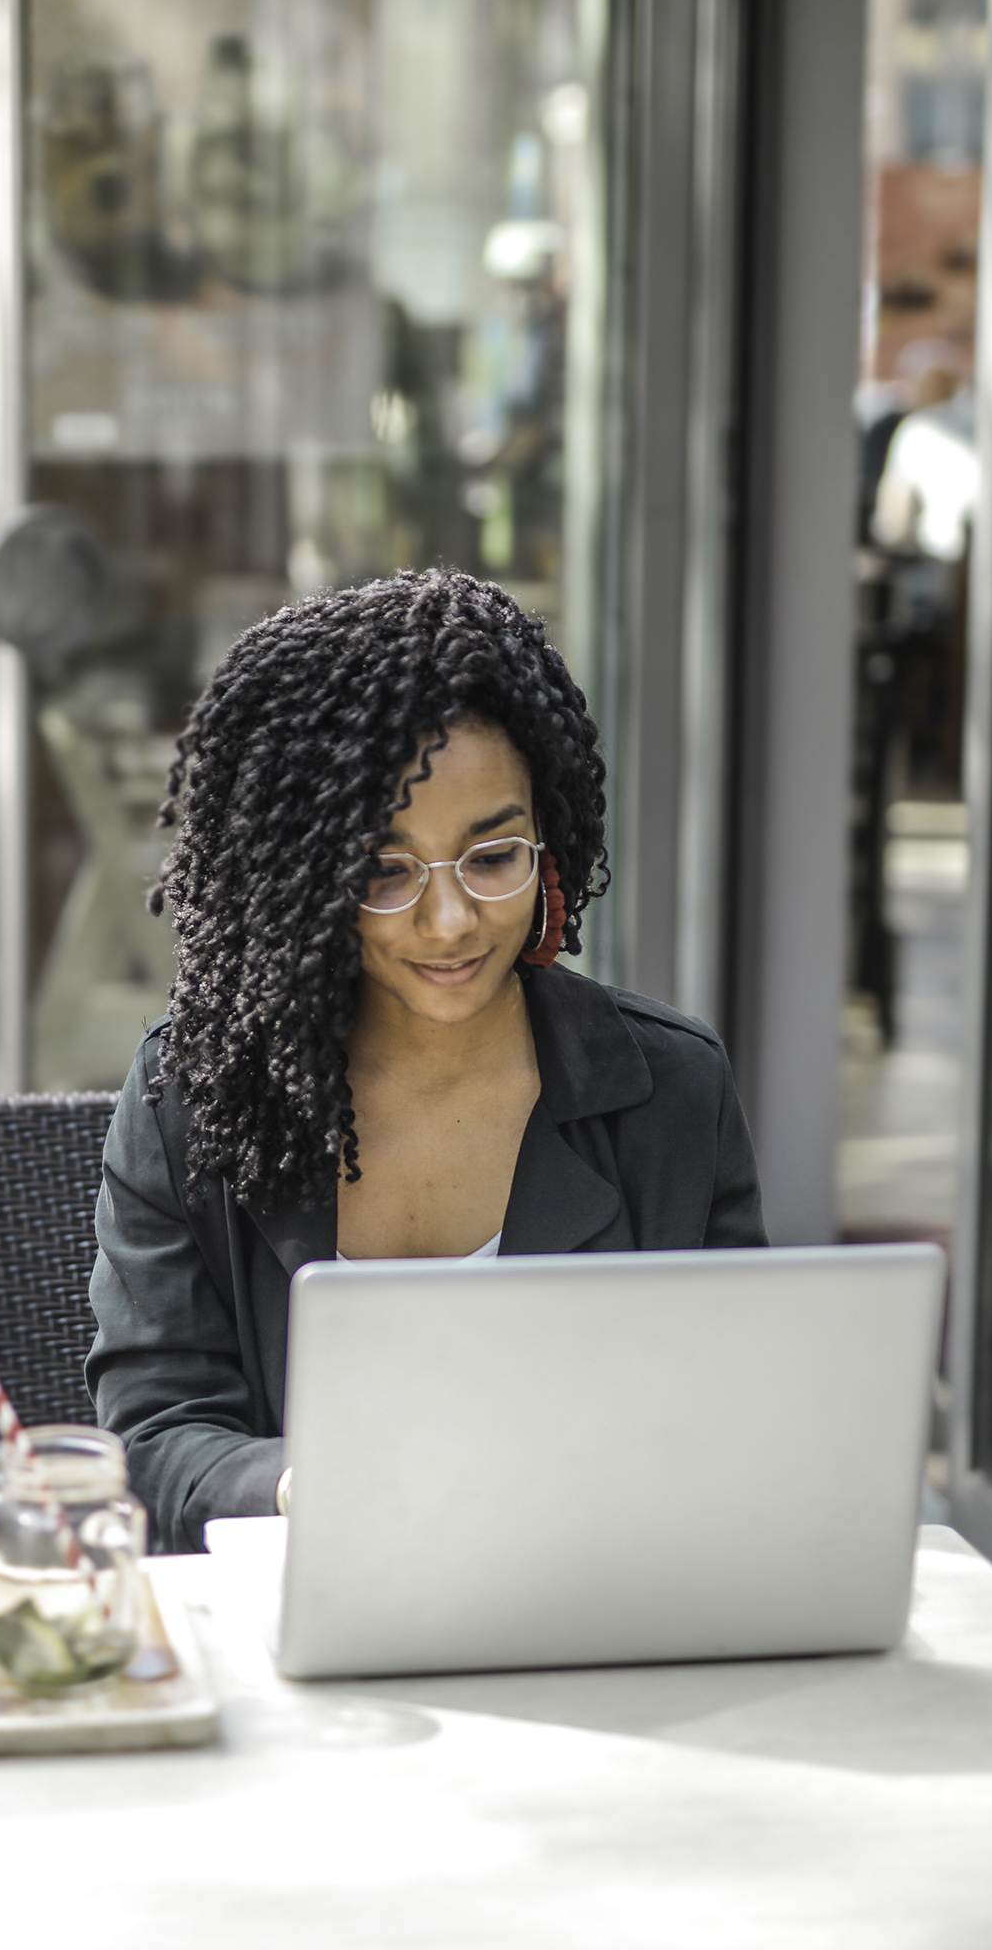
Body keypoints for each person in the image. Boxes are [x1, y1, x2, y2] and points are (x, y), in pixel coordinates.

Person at [85, 571, 768, 1551]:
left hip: (600, 1609)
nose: (449, 922)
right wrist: (297, 1484)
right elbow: (152, 1439)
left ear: (551, 842)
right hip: (302, 1626)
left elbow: (738, 1421)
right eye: (385, 870)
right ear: (306, 878)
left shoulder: (669, 1091)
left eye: (493, 859)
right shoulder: (194, 1093)